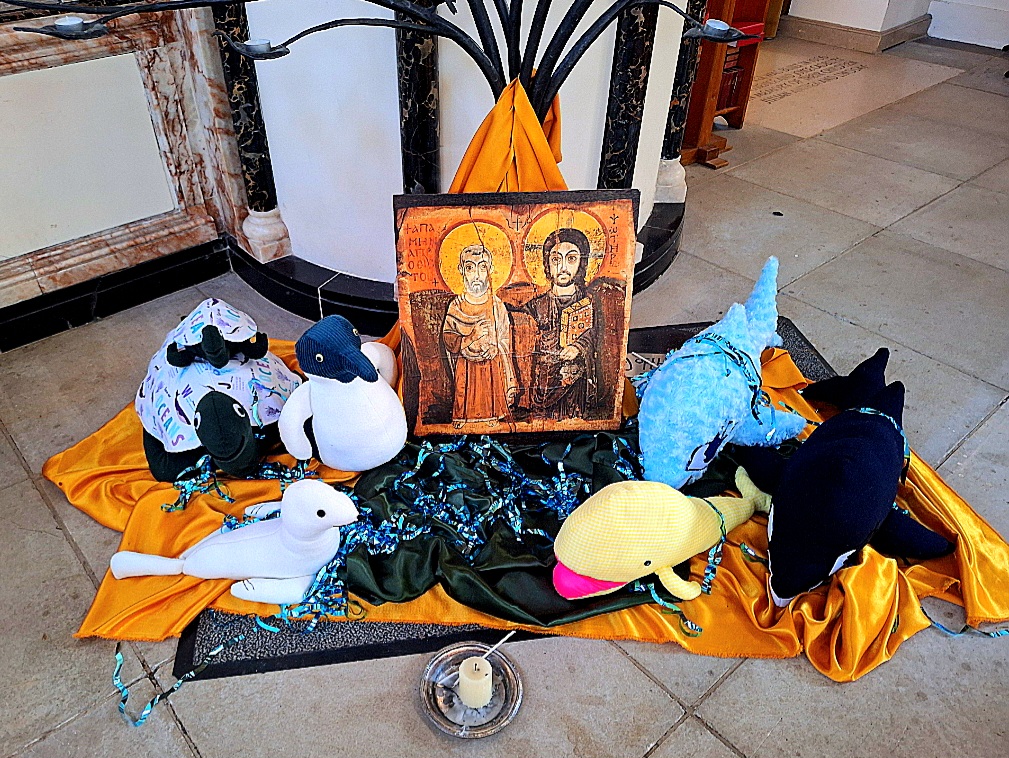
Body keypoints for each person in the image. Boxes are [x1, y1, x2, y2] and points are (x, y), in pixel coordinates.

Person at [518, 228, 599, 420]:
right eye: (555, 259)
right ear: (547, 263)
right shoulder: (535, 306)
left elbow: (594, 334)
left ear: (582, 262)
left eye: (571, 259)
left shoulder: (589, 302)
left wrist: (578, 347)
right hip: (544, 380)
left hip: (575, 380)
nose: (563, 267)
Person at [441, 244, 518, 426]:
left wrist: (496, 348)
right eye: (470, 268)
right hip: (466, 362)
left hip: (490, 361)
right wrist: (471, 337)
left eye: (482, 267)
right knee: (464, 387)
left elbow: (505, 337)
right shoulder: (456, 306)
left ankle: (492, 415)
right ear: (461, 270)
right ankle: (461, 416)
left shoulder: (497, 305)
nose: (476, 275)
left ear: (490, 269)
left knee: (490, 385)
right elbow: (448, 337)